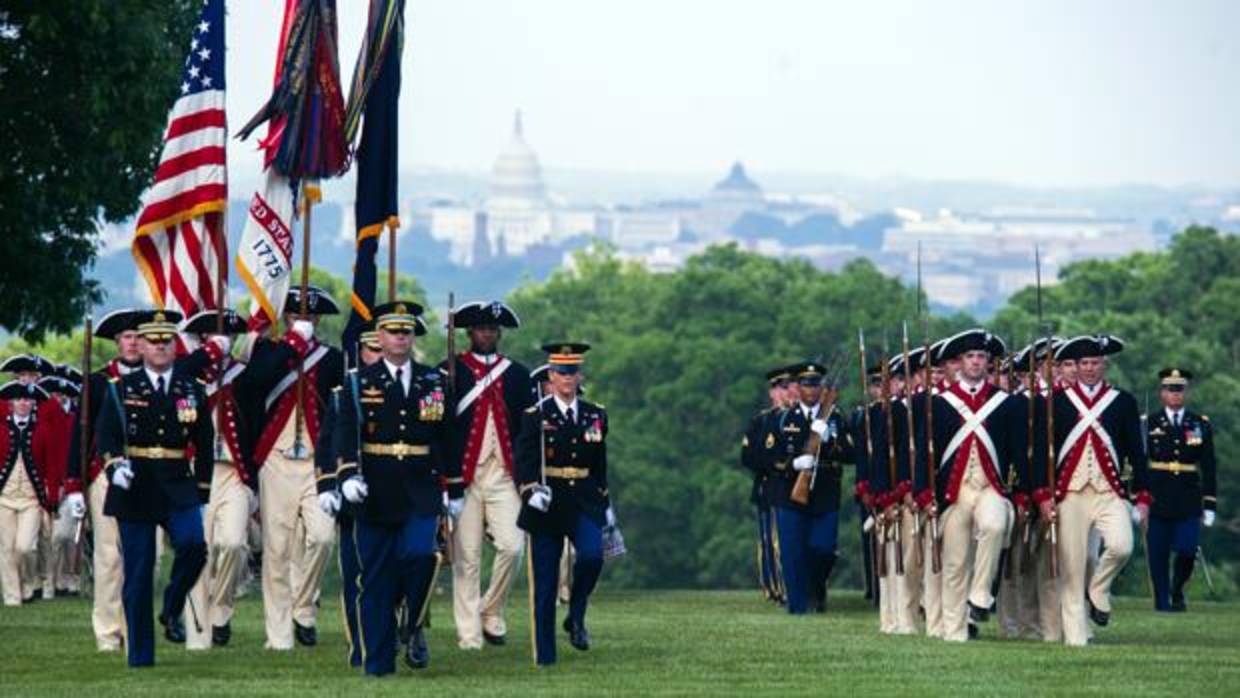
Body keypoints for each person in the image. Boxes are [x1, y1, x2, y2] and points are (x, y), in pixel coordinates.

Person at [335, 301, 458, 676]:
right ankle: (378, 664)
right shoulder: (358, 381)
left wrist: (455, 488)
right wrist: (346, 476)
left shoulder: (433, 381)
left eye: (406, 332)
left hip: (420, 488)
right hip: (375, 490)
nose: (400, 338)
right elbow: (344, 434)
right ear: (380, 337)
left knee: (421, 556)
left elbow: (449, 436)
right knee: (374, 579)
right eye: (393, 332)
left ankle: (412, 620)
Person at [94, 310, 212, 667]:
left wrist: (203, 493)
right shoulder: (121, 389)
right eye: (153, 341)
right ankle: (140, 655)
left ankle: (172, 606)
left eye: (166, 341)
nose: (160, 347)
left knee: (194, 546)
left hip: (177, 482)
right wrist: (114, 466)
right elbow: (107, 434)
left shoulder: (192, 388)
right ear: (140, 346)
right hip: (136, 483)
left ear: (174, 346)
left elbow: (205, 443)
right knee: (139, 571)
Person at [235, 286, 344, 650]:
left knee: (323, 536)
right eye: (297, 315)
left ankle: (304, 604)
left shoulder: (332, 359)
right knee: (277, 549)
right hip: (275, 459)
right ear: (285, 318)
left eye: (310, 317)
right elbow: (253, 383)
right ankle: (278, 634)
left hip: (318, 462)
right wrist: (294, 344)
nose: (304, 321)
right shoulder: (267, 352)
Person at [1034, 335, 1149, 647]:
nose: (1088, 368)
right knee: (1071, 569)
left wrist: (1142, 495)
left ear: (1104, 365)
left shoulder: (1122, 401)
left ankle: (1098, 590)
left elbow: (1136, 452)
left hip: (1108, 491)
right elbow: (1043, 452)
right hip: (1070, 493)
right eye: (1083, 363)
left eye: (1095, 362)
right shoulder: (1055, 403)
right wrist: (1043, 495)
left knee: (1122, 545)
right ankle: (1075, 639)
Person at [914, 329, 1025, 643]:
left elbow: (1018, 453)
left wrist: (1029, 492)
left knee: (994, 524)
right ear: (959, 362)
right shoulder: (939, 404)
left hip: (990, 486)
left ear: (988, 363)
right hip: (954, 490)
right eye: (970, 357)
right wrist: (924, 493)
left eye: (981, 357)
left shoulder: (1005, 404)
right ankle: (954, 631)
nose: (976, 362)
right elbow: (925, 452)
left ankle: (979, 596)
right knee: (954, 562)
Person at [515, 342, 613, 666]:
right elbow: (524, 460)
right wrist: (530, 490)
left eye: (572, 372)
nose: (567, 378)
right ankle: (545, 655)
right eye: (561, 372)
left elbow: (599, 462)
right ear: (550, 377)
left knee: (592, 556)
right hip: (548, 500)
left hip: (583, 498)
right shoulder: (536, 415)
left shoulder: (594, 414)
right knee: (544, 582)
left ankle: (576, 614)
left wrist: (604, 498)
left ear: (579, 375)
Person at [443, 300, 532, 650]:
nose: (488, 334)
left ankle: (490, 609)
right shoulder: (449, 371)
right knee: (467, 559)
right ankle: (469, 635)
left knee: (512, 547)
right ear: (469, 333)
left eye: (493, 329)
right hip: (463, 478)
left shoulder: (518, 374)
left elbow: (526, 431)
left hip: (503, 476)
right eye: (482, 329)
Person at [181, 309, 254, 649]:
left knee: (233, 544)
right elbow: (178, 373)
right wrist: (207, 356)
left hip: (232, 471)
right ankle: (198, 627)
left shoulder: (242, 373)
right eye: (210, 336)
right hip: (196, 471)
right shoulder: (186, 374)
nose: (219, 341)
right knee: (200, 549)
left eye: (222, 336)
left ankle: (222, 607)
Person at [316, 319, 385, 668]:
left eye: (380, 347)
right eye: (371, 348)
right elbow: (327, 443)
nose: (376, 355)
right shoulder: (345, 392)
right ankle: (359, 643)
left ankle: (401, 633)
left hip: (393, 494)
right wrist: (328, 484)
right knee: (356, 575)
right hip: (353, 500)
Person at [769, 362, 854, 614]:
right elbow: (768, 456)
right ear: (798, 387)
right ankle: (797, 607)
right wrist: (792, 464)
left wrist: (829, 440)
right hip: (789, 494)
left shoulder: (835, 417)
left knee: (824, 549)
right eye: (806, 384)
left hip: (826, 494)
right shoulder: (785, 418)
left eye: (816, 384)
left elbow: (851, 454)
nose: (811, 389)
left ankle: (817, 587)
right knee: (793, 553)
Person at [1144, 367, 1216, 612]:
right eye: (1169, 389)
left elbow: (1208, 465)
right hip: (1158, 495)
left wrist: (1210, 503)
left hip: (1187, 496)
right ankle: (1163, 602)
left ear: (1186, 392)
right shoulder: (1149, 423)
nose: (1175, 394)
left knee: (1187, 548)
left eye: (1179, 389)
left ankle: (1177, 589)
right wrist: (1136, 497)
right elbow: (1138, 460)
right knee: (1158, 552)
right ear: (1161, 392)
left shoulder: (1199, 423)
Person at [0, 382, 65, 606]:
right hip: (4, 497)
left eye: (27, 400)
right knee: (6, 548)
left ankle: (28, 585)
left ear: (33, 403)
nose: (23, 403)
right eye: (18, 399)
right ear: (11, 403)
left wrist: (53, 497)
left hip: (31, 499)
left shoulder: (43, 430)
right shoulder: (0, 428)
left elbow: (52, 468)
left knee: (25, 547)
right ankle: (12, 596)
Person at [740, 366, 791, 604]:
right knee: (771, 541)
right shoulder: (762, 421)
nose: (787, 391)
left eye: (789, 386)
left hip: (794, 486)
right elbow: (749, 456)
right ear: (772, 392)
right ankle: (775, 586)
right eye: (781, 388)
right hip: (769, 486)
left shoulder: (799, 417)